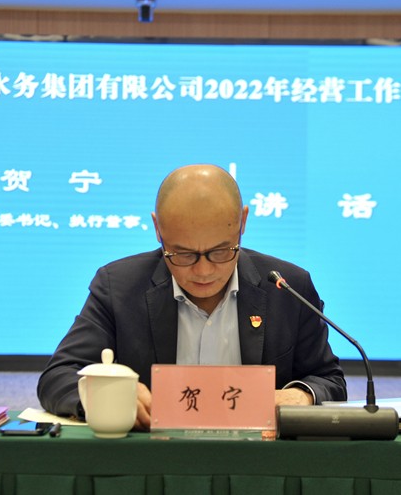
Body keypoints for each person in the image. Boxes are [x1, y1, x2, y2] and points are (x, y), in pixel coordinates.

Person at [37, 164, 347, 430]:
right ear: (158, 228)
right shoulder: (119, 287)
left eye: (221, 251)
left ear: (243, 223)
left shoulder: (286, 287)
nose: (203, 271)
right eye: (183, 254)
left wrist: (301, 395)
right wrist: (106, 396)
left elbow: (329, 381)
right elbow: (57, 377)